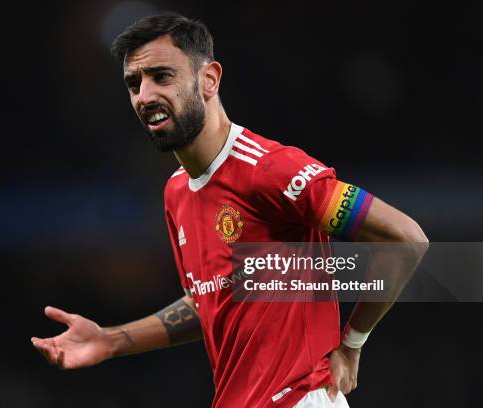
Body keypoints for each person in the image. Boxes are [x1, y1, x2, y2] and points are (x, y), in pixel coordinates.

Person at [31, 12, 428, 407]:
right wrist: (112, 340)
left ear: (209, 79)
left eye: (162, 76)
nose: (145, 95)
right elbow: (208, 301)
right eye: (134, 83)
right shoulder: (176, 192)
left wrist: (353, 343)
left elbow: (404, 238)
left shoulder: (270, 170)